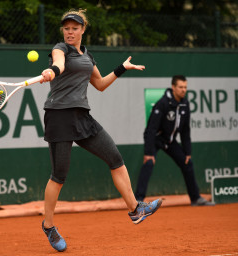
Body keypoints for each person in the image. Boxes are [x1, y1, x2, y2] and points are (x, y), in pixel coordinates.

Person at [39, 9, 162, 252]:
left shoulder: (87, 56)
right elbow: (58, 64)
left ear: (83, 29)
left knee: (115, 158)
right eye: (67, 28)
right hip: (59, 116)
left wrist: (122, 68)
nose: (70, 32)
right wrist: (51, 71)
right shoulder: (60, 49)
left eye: (75, 28)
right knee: (59, 175)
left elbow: (101, 84)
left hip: (82, 116)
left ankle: (135, 210)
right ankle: (49, 226)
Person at [134, 75, 215, 207]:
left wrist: (187, 151)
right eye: (180, 87)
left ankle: (195, 198)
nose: (183, 90)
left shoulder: (185, 104)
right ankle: (138, 199)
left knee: (187, 163)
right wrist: (148, 152)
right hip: (155, 139)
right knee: (148, 163)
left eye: (185, 87)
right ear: (173, 87)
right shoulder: (163, 103)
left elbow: (185, 130)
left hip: (169, 141)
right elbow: (151, 129)